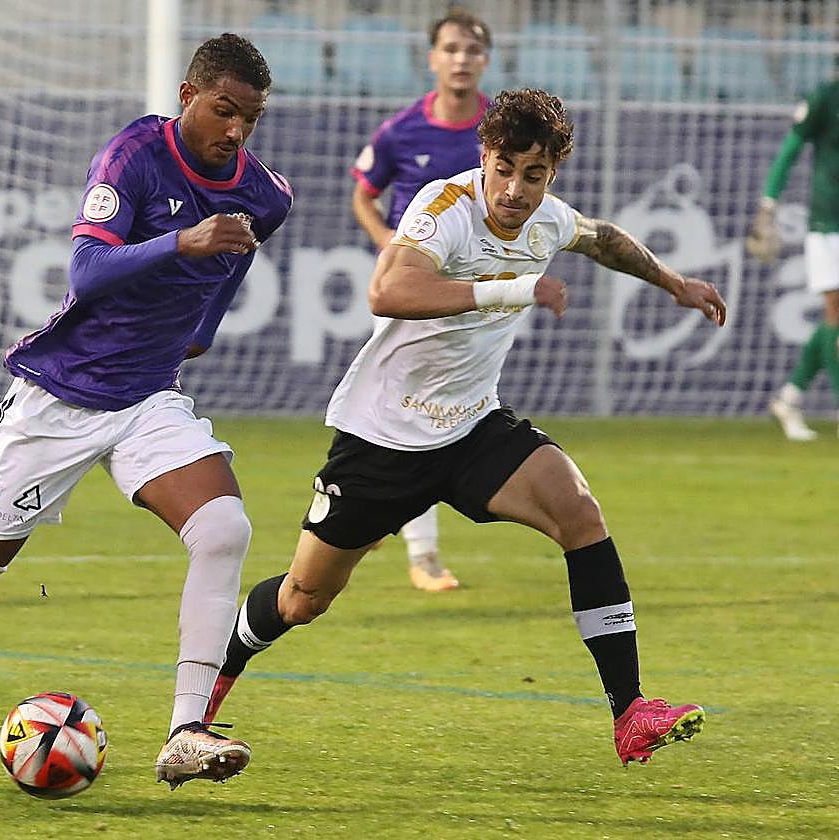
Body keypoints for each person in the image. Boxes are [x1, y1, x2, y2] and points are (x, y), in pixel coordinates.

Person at [0, 33, 293, 791]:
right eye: (223, 109)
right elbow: (86, 269)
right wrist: (182, 242)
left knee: (224, 528)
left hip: (146, 398)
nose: (236, 130)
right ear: (188, 97)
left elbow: (235, 261)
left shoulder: (266, 196)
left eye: (251, 117)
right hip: (59, 396)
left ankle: (185, 730)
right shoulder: (133, 156)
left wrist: (200, 329)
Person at [206, 88, 724, 767]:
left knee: (579, 512)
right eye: (504, 169)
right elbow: (387, 291)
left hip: (472, 426)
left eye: (533, 175)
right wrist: (512, 288)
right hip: (384, 437)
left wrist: (675, 283)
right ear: (484, 157)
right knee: (303, 599)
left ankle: (630, 712)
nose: (514, 190)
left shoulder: (547, 219)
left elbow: (602, 238)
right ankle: (205, 696)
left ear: (552, 173)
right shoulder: (444, 207)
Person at [349, 7, 493, 592]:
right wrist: (388, 241)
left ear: (486, 60)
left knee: (429, 409)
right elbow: (364, 193)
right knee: (415, 410)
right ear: (432, 58)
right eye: (451, 49)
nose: (462, 59)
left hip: (473, 295)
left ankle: (367, 508)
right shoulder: (402, 131)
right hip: (413, 290)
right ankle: (421, 552)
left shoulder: (499, 131)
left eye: (472, 50)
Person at [746, 78, 839, 441]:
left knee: (834, 319)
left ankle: (790, 396)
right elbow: (790, 149)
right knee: (835, 312)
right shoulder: (826, 98)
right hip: (829, 224)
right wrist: (768, 206)